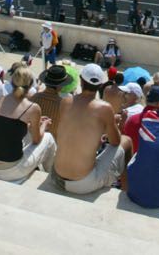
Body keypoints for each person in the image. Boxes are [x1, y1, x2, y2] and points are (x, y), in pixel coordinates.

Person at [52, 63, 131, 195]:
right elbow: (115, 142)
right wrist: (112, 124)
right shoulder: (104, 108)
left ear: (81, 81)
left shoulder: (65, 102)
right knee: (126, 141)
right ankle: (126, 190)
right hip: (82, 184)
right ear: (100, 85)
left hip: (57, 178)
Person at [0, 65, 57, 181]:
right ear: (31, 84)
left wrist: (31, 123)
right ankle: (51, 176)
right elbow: (37, 140)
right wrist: (44, 125)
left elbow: (9, 126)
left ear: (12, 82)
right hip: (10, 170)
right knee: (48, 137)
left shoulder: (2, 99)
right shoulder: (33, 107)